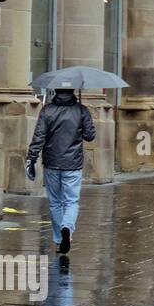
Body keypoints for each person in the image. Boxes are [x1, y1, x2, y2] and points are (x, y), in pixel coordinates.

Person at [26, 89, 96, 255]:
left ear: (55, 91)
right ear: (72, 91)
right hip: (73, 164)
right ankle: (67, 227)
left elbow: (39, 136)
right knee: (71, 201)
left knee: (55, 202)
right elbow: (90, 136)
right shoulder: (81, 110)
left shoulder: (47, 110)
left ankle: (59, 241)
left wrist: (32, 158)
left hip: (52, 163)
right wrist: (82, 119)